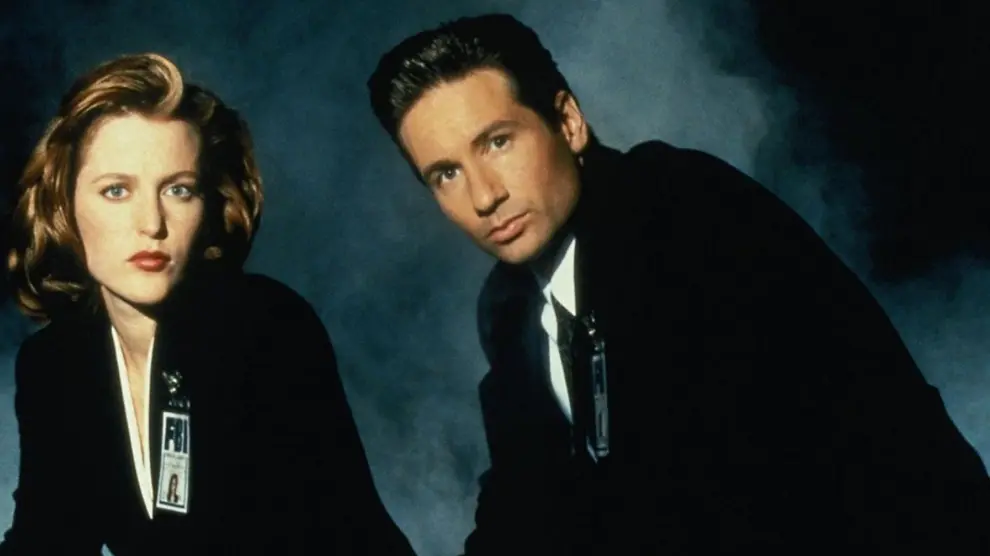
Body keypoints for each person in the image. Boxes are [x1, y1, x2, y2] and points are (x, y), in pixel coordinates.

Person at [366, 13, 990, 554]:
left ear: (569, 122)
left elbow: (731, 481)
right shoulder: (510, 310)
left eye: (498, 142)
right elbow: (525, 498)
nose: (484, 196)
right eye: (446, 174)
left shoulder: (684, 213)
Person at [0, 53, 415, 556]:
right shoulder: (54, 364)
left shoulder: (265, 325)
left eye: (179, 190)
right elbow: (46, 539)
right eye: (116, 190)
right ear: (64, 205)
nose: (152, 223)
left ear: (210, 206)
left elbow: (329, 533)